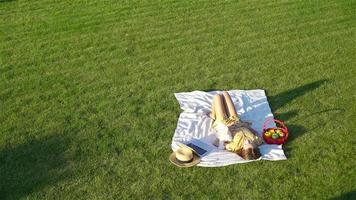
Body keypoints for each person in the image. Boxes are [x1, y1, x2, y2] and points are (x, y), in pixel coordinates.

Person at [210, 91, 263, 160]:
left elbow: (221, 143)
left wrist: (227, 131)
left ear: (242, 149)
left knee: (217, 96)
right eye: (250, 143)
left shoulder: (235, 146)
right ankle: (214, 114)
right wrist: (248, 127)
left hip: (224, 124)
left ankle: (213, 115)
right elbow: (256, 132)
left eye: (246, 144)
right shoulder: (257, 141)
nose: (248, 141)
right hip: (236, 121)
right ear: (255, 147)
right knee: (226, 94)